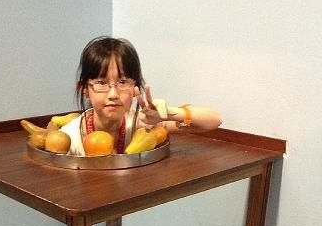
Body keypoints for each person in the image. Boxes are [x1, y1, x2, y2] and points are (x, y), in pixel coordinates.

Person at [61, 36, 222, 155]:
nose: (113, 94)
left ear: (135, 89)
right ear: (84, 89)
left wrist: (171, 113)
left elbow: (214, 120)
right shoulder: (70, 137)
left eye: (123, 82)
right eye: (101, 83)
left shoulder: (140, 123)